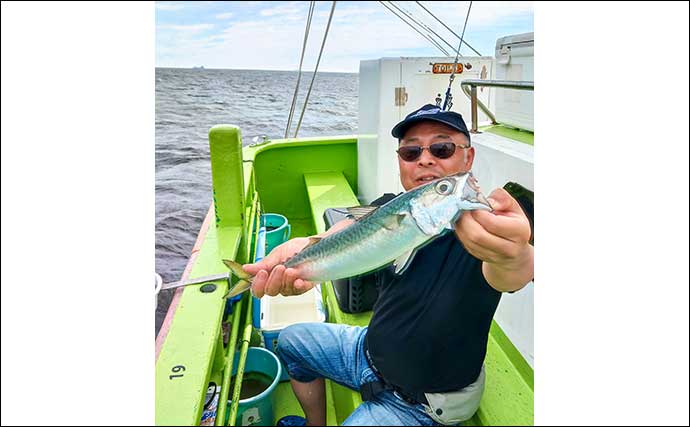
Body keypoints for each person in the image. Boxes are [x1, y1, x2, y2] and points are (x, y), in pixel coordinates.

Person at [243, 104, 534, 426]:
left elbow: (512, 269)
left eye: (442, 148)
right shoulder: (393, 208)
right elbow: (349, 230)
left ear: (468, 158)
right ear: (400, 162)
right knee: (291, 341)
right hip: (367, 350)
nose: (424, 158)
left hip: (421, 401)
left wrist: (514, 255)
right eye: (410, 151)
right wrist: (303, 247)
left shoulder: (486, 232)